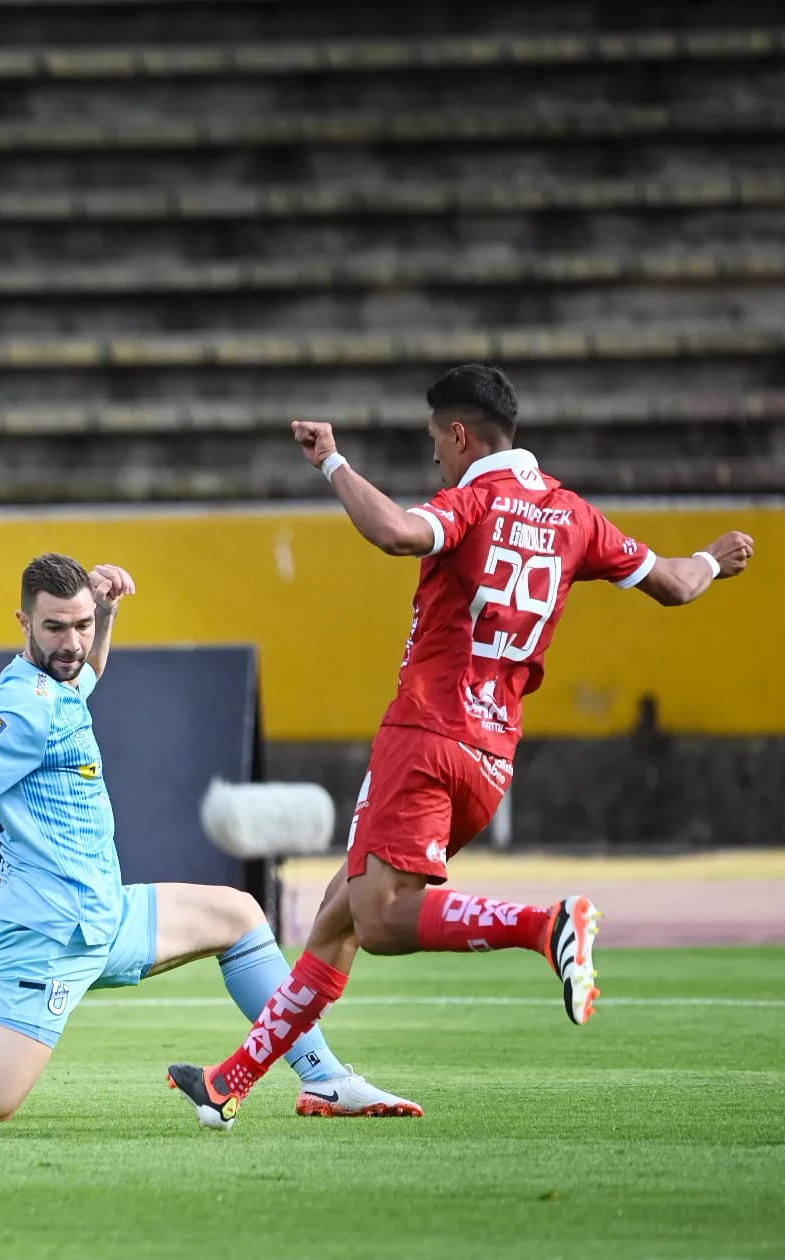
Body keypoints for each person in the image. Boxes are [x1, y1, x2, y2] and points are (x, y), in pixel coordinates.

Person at [168, 362, 755, 1129]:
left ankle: (544, 926)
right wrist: (714, 557)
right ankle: (230, 1082)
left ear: (458, 434)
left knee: (377, 920)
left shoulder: (474, 499)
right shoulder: (575, 517)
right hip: (491, 758)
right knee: (338, 917)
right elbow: (676, 584)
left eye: (436, 446)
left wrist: (332, 463)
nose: (436, 462)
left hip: (423, 735)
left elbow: (395, 532)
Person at [0, 553, 420, 1126]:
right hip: (49, 932)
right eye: (57, 629)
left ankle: (325, 1079)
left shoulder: (57, 683)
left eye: (82, 625)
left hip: (101, 914)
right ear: (23, 622)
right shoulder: (23, 706)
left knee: (240, 916)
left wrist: (107, 613)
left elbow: (85, 678)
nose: (73, 644)